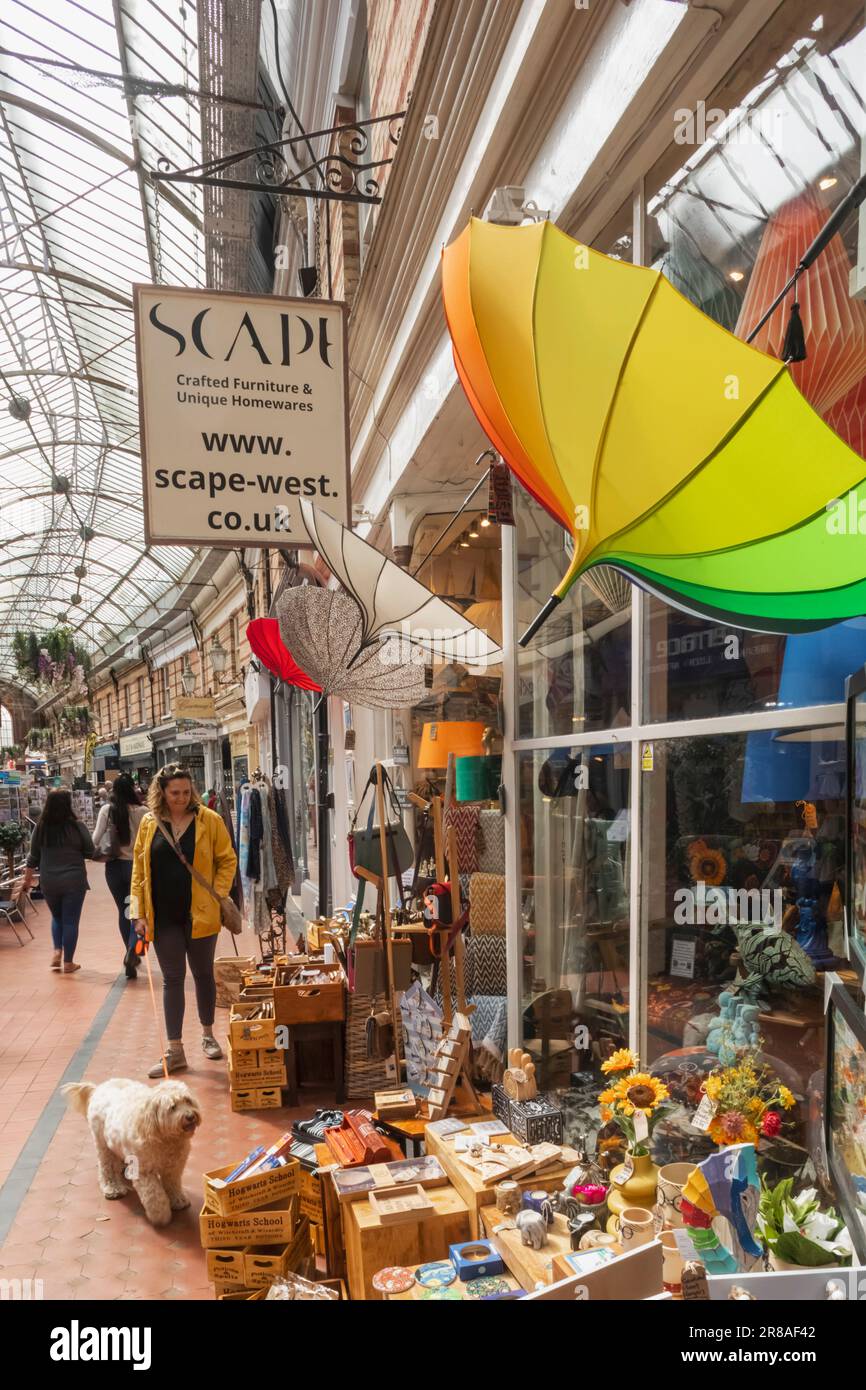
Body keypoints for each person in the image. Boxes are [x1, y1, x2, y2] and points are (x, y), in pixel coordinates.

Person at [130, 763, 238, 1077]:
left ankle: (208, 1034)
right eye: (174, 792)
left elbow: (226, 860)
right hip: (163, 917)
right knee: (172, 979)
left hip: (201, 914)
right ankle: (175, 1050)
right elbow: (138, 872)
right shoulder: (149, 824)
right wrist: (137, 913)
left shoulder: (210, 820)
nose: (180, 798)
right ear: (161, 792)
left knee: (203, 974)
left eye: (186, 791)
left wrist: (217, 895)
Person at [22, 789, 94, 974]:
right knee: (70, 921)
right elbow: (89, 850)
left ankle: (57, 951)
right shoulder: (77, 826)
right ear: (68, 804)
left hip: (49, 881)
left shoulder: (41, 826)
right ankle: (68, 962)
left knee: (57, 917)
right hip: (74, 881)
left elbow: (33, 856)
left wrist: (27, 880)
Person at [93, 774, 148, 980]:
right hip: (137, 867)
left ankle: (129, 951)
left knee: (123, 911)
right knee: (137, 910)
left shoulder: (107, 810)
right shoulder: (144, 812)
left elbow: (95, 839)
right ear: (133, 789)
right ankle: (133, 950)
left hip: (114, 867)